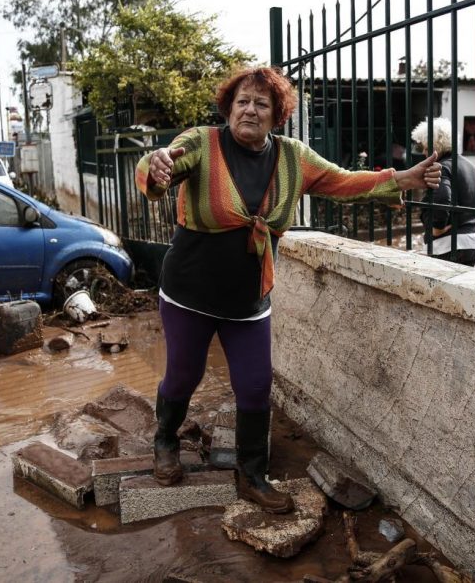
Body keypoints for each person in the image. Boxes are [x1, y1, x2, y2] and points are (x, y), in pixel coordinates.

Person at [136, 66, 442, 513]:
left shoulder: (293, 156)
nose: (250, 110)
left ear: (277, 114)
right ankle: (165, 441)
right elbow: (162, 165)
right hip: (189, 295)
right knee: (184, 374)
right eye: (242, 101)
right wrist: (155, 165)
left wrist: (402, 179)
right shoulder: (203, 142)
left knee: (256, 387)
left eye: (262, 103)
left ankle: (253, 474)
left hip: (248, 300)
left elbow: (343, 181)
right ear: (229, 107)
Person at [411, 118, 475, 267]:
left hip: (448, 243)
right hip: (473, 241)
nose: (423, 151)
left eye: (425, 147)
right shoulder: (470, 165)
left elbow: (442, 199)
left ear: (435, 145)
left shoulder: (440, 167)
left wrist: (436, 228)